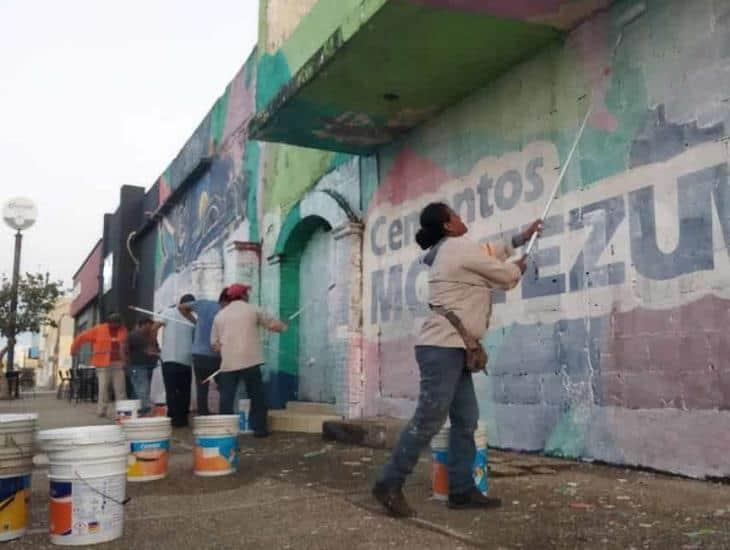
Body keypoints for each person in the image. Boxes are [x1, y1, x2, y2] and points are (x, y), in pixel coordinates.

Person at [372, 202, 541, 517]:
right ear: (448, 225)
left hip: (454, 349)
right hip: (443, 349)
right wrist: (519, 266)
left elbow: (488, 251)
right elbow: (504, 276)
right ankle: (389, 483)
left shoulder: (451, 249)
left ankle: (462, 491)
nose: (463, 219)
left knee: (466, 420)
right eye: (457, 215)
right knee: (429, 420)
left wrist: (522, 237)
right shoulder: (457, 248)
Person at [211, 283, 287, 437]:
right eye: (247, 293)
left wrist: (227, 347)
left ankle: (225, 431)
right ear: (244, 295)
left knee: (227, 399)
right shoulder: (253, 310)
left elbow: (215, 345)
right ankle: (259, 429)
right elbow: (274, 325)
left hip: (229, 364)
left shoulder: (220, 316)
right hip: (250, 361)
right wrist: (284, 326)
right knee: (256, 396)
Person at [179, 289, 229, 415]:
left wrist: (194, 321)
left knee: (202, 388)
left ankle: (203, 417)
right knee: (225, 387)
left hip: (199, 355)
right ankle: (225, 416)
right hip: (218, 356)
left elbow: (181, 307)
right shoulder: (227, 311)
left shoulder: (203, 304)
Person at [70, 313, 128, 417]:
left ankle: (122, 412)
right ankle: (101, 410)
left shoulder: (123, 330)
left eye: (118, 324)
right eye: (113, 323)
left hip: (118, 363)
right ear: (109, 323)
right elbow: (81, 337)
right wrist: (74, 349)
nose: (116, 326)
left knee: (120, 389)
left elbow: (125, 346)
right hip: (102, 364)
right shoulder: (99, 329)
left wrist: (126, 361)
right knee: (103, 388)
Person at [160, 294, 195, 427]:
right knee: (172, 391)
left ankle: (183, 418)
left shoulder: (192, 319)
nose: (190, 309)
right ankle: (174, 418)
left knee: (185, 392)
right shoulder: (169, 312)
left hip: (186, 361)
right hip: (169, 359)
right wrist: (154, 345)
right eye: (188, 306)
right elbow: (155, 326)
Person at [126, 318, 161, 416]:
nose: (150, 329)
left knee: (139, 389)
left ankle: (134, 410)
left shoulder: (150, 336)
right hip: (138, 366)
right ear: (142, 325)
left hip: (148, 366)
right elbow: (149, 350)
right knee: (142, 389)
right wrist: (126, 364)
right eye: (149, 326)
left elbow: (156, 348)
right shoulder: (134, 336)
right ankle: (145, 410)